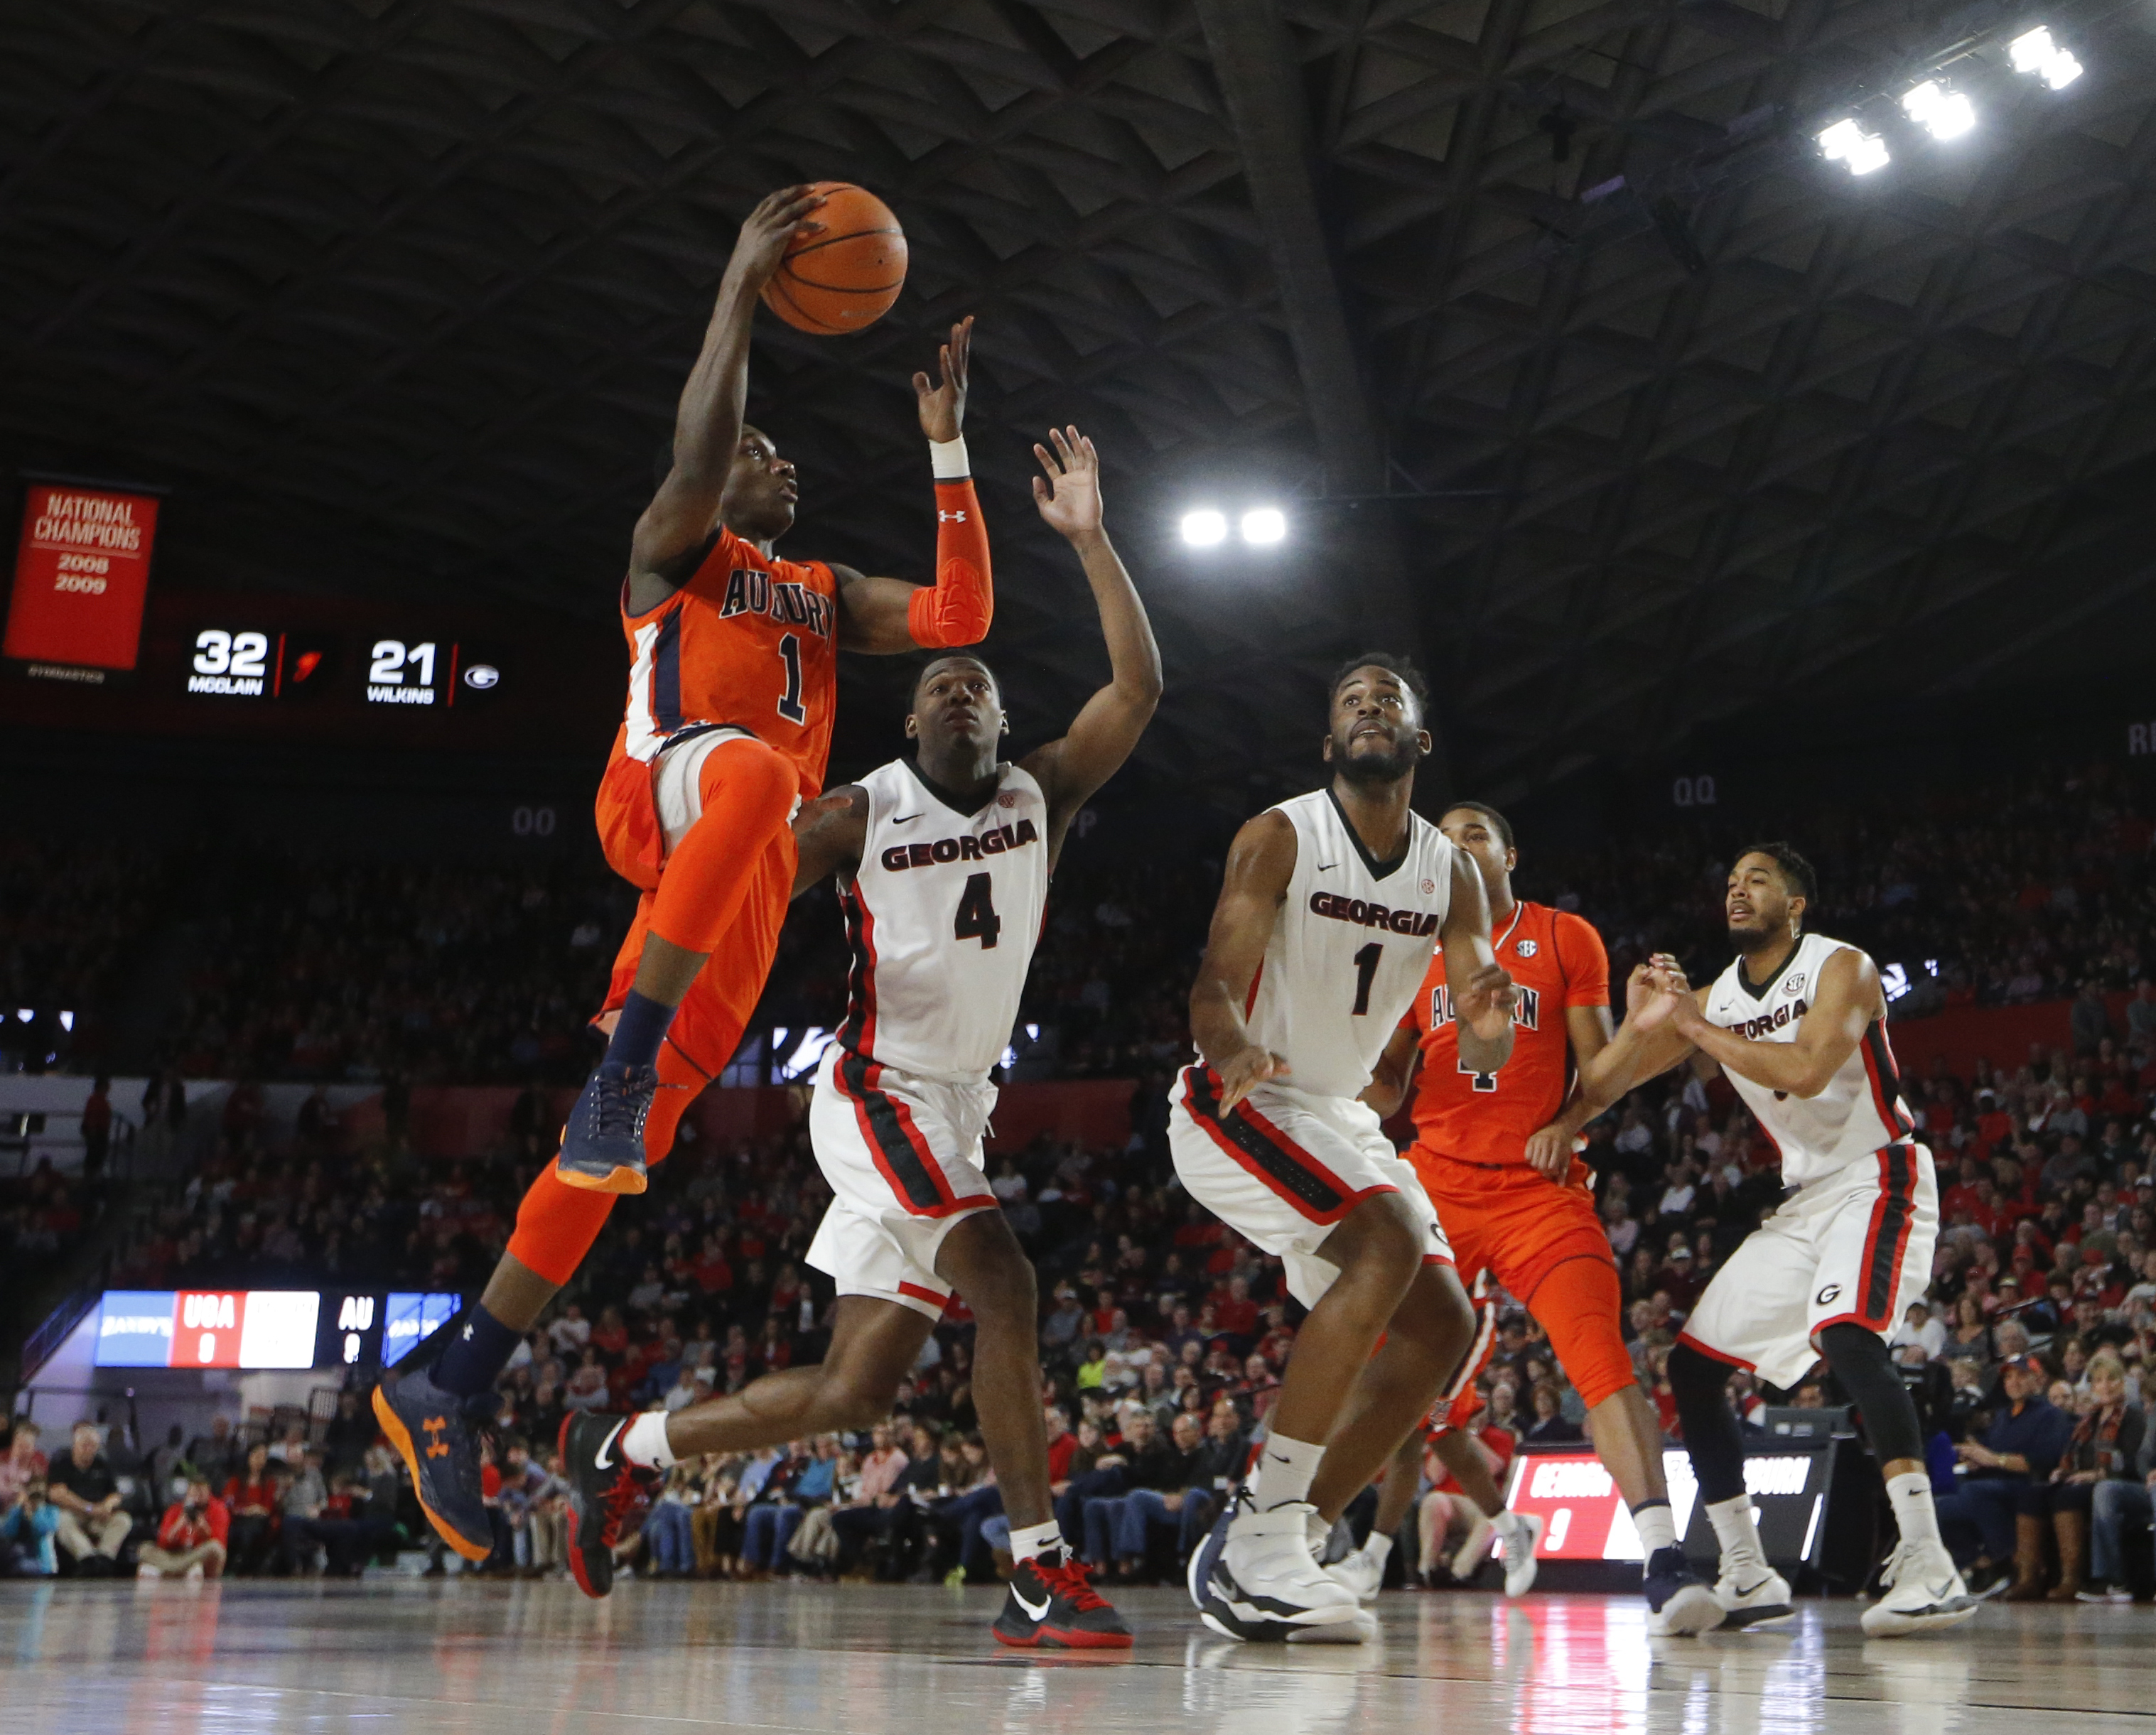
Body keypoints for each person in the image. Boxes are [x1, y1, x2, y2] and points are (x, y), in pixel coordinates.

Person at [374, 183, 998, 1564]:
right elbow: (703, 440)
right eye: (756, 450)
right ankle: (622, 1059)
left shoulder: (821, 593)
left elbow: (962, 614)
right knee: (767, 778)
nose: (777, 465)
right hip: (661, 794)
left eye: (781, 456)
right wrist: (736, 293)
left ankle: (447, 1382)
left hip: (738, 889)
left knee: (619, 1159)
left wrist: (946, 451)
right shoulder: (676, 553)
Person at [552, 424, 1159, 1652]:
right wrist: (649, 1006)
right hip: (877, 1091)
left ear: (996, 720)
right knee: (1005, 1279)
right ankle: (1037, 1568)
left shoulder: (1043, 793)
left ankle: (624, 1449)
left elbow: (1137, 689)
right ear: (910, 720)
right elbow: (724, 885)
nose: (957, 686)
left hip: (955, 1103)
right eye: (938, 682)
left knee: (852, 1390)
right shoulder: (853, 810)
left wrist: (1092, 543)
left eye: (975, 683)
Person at [1173, 654, 1515, 1641]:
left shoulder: (1451, 870)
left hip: (1338, 1117)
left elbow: (1482, 1035)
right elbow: (1210, 984)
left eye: (1389, 699)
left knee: (1441, 1329)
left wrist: (1487, 1019)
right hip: (1239, 1095)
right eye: (1351, 700)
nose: (1370, 706)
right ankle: (1265, 1527)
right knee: (1383, 1244)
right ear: (1329, 743)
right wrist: (1231, 1039)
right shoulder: (1281, 834)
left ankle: (1281, 1541)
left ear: (1420, 741)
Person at [1588, 843, 1976, 1636]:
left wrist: (1691, 1022)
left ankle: (1929, 1561)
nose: (1736, 891)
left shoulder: (1843, 967)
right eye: (1729, 882)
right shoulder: (1719, 994)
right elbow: (1610, 1077)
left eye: (1755, 880)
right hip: (1805, 1200)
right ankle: (1746, 1568)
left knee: (1846, 1335)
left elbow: (1803, 1070)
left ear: (1795, 904)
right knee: (1692, 1367)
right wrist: (1631, 1027)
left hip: (1880, 1174)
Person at [1361, 801, 1716, 1633]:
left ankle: (1665, 1559)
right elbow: (1385, 1088)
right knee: (1384, 1372)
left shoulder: (1564, 938)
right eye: (1441, 840)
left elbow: (1598, 1072)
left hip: (1533, 1192)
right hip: (1434, 1185)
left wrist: (1572, 1114)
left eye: (1473, 834)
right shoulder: (1410, 953)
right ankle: (1321, 1547)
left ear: (1510, 853)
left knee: (1600, 1360)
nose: (1456, 847)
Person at [1937, 1355, 2074, 1599]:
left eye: (2021, 1376)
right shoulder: (2002, 1416)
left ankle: (2008, 1561)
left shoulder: (2050, 1416)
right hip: (1995, 1482)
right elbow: (1988, 1451)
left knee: (1975, 1493)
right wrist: (1973, 1458)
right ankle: (1980, 1562)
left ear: (2036, 1380)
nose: (2014, 1382)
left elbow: (2043, 1461)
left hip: (2029, 1485)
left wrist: (1994, 1460)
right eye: (2009, 1377)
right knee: (1939, 1505)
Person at [2044, 1351, 2140, 1601]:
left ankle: (2111, 1578)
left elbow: (2130, 1463)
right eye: (2098, 1380)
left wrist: (2093, 1475)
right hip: (2088, 1480)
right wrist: (2062, 1471)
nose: (2105, 1386)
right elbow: (2072, 1455)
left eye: (2112, 1379)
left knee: (2101, 1490)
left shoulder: (2134, 1415)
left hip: (2125, 1483)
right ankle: (2038, 1576)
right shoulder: (2089, 1419)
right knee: (2038, 1493)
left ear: (2123, 1382)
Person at [46, 1419, 130, 1574]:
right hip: (73, 1513)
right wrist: (89, 1508)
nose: (88, 1450)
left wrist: (106, 1506)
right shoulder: (61, 1461)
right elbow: (57, 1495)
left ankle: (104, 1558)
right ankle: (87, 1558)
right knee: (61, 1520)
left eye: (92, 1446)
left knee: (123, 1520)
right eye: (84, 1445)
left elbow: (115, 1494)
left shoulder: (102, 1464)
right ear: (75, 1446)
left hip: (97, 1515)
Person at [138, 1475, 229, 1579]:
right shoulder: (174, 1510)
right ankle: (178, 1571)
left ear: (209, 1493)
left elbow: (218, 1542)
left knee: (215, 1549)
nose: (198, 1496)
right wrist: (178, 1525)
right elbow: (163, 1542)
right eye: (195, 1492)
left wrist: (203, 1528)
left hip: (196, 1555)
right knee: (144, 1549)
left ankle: (168, 1571)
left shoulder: (218, 1510)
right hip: (174, 1555)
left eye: (202, 1492)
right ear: (188, 1493)